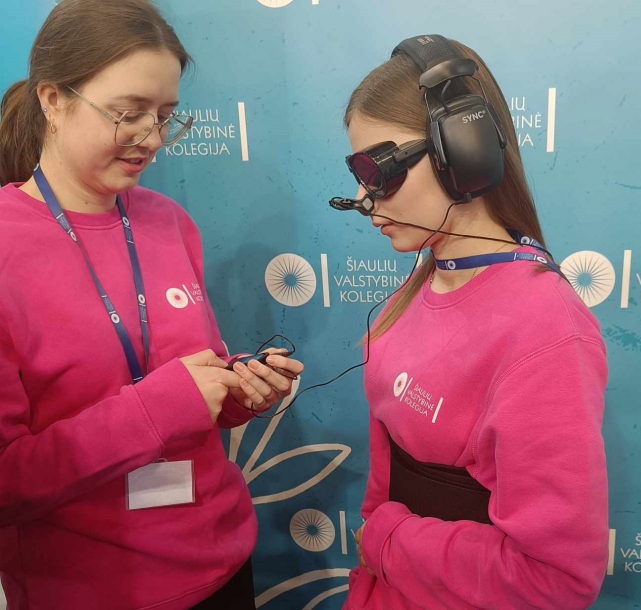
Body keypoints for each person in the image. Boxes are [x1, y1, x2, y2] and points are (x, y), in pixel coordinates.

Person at [0, 1, 303, 608]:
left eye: (165, 116)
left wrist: (237, 389)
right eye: (129, 114)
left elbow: (190, 380)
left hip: (222, 568)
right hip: (93, 591)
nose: (154, 139)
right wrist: (158, 409)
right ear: (52, 100)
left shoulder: (169, 223)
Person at [337, 35, 609, 610]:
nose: (364, 197)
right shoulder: (411, 293)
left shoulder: (546, 334)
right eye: (357, 171)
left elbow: (556, 580)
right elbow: (385, 489)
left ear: (464, 152)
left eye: (380, 169)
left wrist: (387, 542)